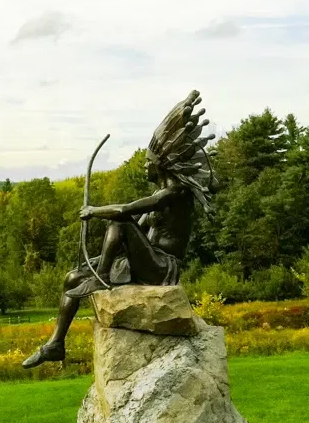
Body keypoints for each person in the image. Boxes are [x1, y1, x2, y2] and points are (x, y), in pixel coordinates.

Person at [22, 90, 216, 368]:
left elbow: (124, 214)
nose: (145, 166)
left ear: (161, 164)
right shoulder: (160, 191)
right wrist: (102, 257)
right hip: (142, 263)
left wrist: (93, 212)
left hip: (162, 269)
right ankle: (55, 344)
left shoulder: (176, 193)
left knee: (119, 221)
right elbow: (131, 235)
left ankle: (101, 277)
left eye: (149, 161)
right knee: (72, 277)